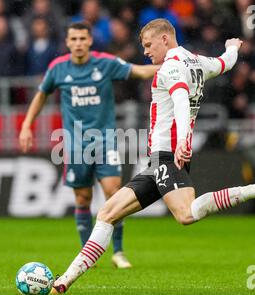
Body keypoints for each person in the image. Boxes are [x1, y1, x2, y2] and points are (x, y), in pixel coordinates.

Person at [50, 18, 255, 294]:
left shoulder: (170, 67)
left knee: (185, 215)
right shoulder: (197, 62)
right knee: (107, 213)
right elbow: (224, 63)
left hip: (169, 156)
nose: (146, 52)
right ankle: (63, 282)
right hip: (160, 161)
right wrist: (233, 48)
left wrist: (182, 141)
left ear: (165, 39)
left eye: (148, 45)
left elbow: (180, 101)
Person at [19, 22, 158, 269]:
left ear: (90, 41)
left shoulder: (105, 63)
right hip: (75, 144)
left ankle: (118, 251)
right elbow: (42, 95)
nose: (79, 43)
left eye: (83, 38)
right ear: (68, 42)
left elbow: (139, 71)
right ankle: (87, 254)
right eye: (74, 39)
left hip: (105, 140)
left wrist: (169, 66)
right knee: (83, 198)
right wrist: (27, 124)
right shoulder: (58, 68)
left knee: (114, 193)